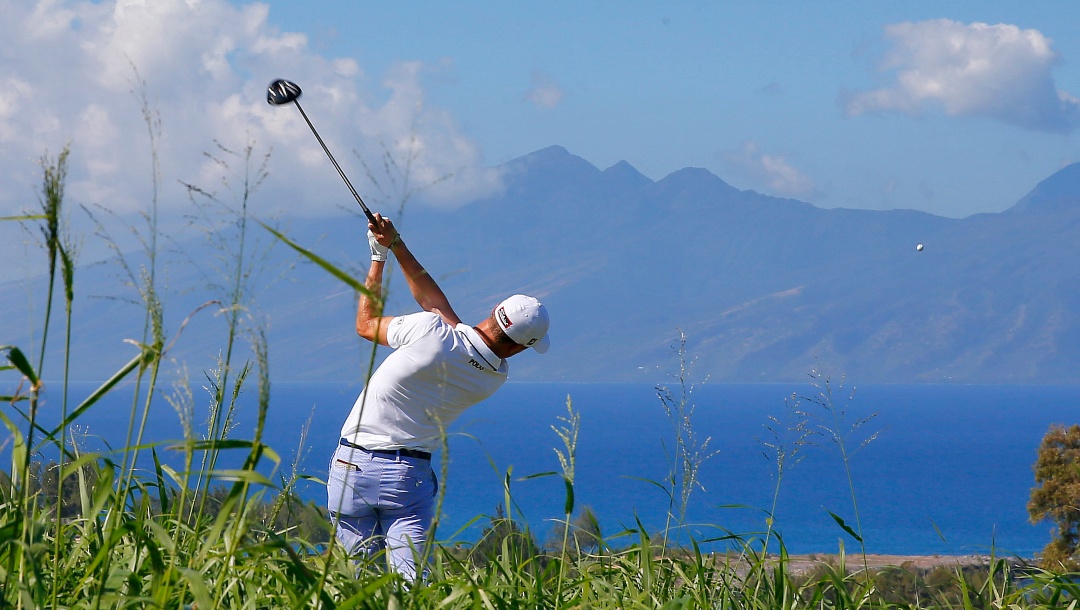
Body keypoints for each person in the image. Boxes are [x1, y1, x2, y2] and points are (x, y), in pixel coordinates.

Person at [326, 214, 550, 579]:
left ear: (494, 311)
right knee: (410, 582)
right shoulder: (494, 376)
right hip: (407, 477)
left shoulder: (431, 332)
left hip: (352, 464)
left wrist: (380, 257)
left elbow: (366, 325)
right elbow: (442, 312)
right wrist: (395, 244)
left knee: (356, 580)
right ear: (520, 349)